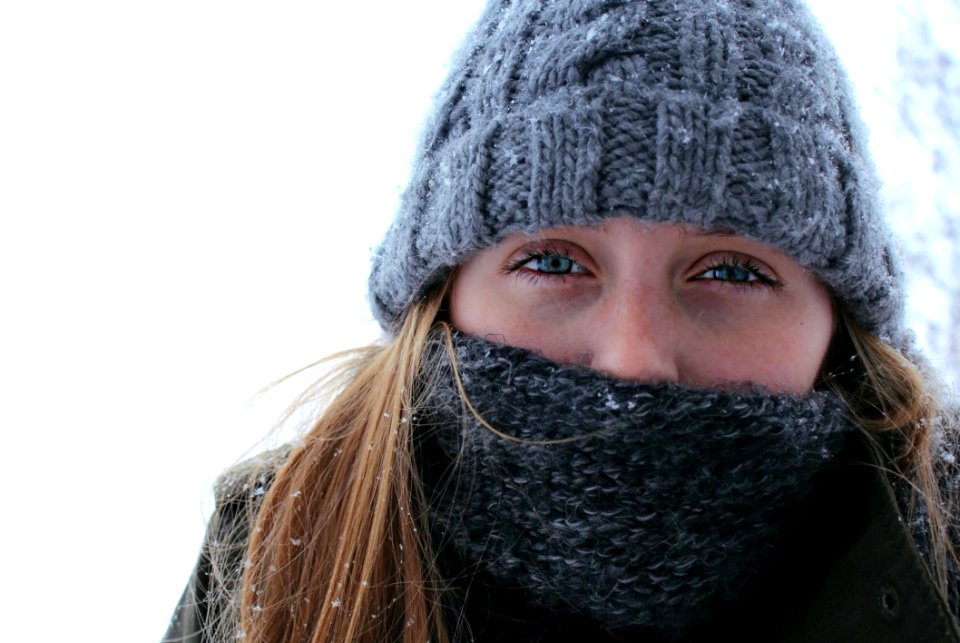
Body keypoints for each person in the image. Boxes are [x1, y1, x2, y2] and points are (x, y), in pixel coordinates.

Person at [163, 0, 960, 641]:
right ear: (442, 292)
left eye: (731, 271)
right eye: (552, 262)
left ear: (838, 319)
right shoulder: (277, 561)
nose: (633, 358)